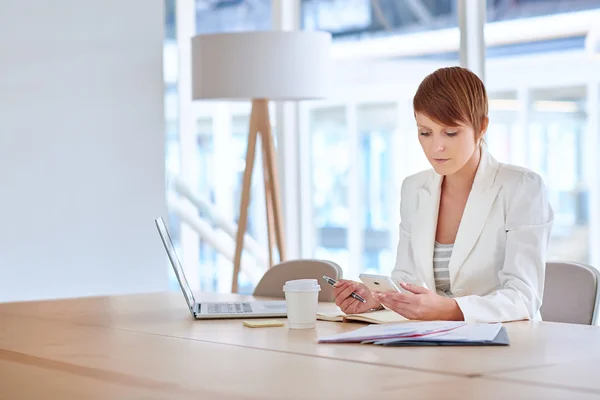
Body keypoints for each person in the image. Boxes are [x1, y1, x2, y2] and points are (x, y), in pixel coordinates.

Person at [333, 66, 554, 323]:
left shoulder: (522, 187)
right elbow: (407, 278)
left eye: (450, 132)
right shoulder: (414, 188)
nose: (436, 146)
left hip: (508, 343)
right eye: (425, 132)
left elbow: (523, 297)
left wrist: (450, 309)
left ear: (481, 127)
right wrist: (378, 298)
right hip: (439, 340)